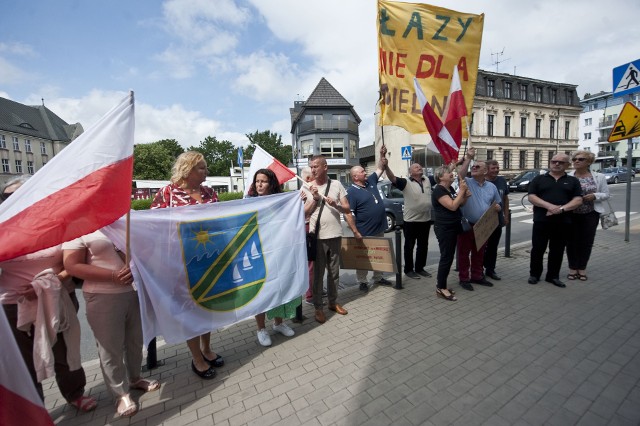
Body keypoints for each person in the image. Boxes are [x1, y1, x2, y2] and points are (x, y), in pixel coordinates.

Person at [0, 176, 97, 412]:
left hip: (58, 298)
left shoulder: (55, 223)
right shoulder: (2, 227)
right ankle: (35, 408)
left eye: (22, 195)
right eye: (8, 197)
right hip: (13, 305)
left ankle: (75, 394)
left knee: (65, 350)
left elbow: (73, 262)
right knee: (23, 361)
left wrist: (48, 283)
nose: (15, 201)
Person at [63, 231, 160, 417]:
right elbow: (72, 265)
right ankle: (120, 394)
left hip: (133, 291)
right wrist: (113, 276)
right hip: (102, 295)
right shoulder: (80, 228)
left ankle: (135, 378)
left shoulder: (123, 219)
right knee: (110, 348)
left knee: (135, 341)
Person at [150, 151, 223, 379]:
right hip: (179, 263)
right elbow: (153, 226)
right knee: (188, 309)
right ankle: (197, 358)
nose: (206, 172)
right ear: (188, 169)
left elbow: (221, 218)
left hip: (207, 258)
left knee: (206, 306)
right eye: (201, 168)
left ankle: (207, 349)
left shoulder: (210, 192)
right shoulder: (168, 193)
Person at [307, 155, 362, 324]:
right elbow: (304, 213)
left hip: (335, 235)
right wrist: (316, 199)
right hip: (318, 238)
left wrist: (336, 205)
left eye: (316, 166)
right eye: (311, 167)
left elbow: (346, 208)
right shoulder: (307, 188)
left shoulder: (337, 185)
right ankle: (318, 307)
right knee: (318, 275)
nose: (313, 169)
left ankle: (332, 302)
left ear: (325, 167)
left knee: (334, 273)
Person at [246, 169, 298, 346]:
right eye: (257, 181)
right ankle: (261, 329)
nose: (259, 184)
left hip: (277, 252)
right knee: (259, 291)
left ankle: (278, 323)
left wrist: (310, 200)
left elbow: (293, 220)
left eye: (264, 181)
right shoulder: (247, 202)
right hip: (257, 253)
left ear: (272, 183)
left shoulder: (281, 201)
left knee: (278, 287)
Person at [527, 153, 583, 287]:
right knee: (538, 248)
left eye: (561, 162)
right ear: (550, 163)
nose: (557, 164)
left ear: (567, 165)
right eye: (554, 161)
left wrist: (561, 209)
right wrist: (549, 206)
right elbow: (531, 196)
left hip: (563, 221)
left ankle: (552, 276)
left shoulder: (572, 181)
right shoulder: (539, 179)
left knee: (557, 250)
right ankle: (534, 274)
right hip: (541, 220)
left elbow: (578, 199)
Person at [347, 145, 393, 291]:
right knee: (364, 257)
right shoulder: (351, 192)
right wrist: (355, 231)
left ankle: (378, 278)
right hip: (364, 231)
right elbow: (350, 214)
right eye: (362, 171)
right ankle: (362, 281)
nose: (365, 172)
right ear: (355, 177)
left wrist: (381, 154)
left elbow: (380, 168)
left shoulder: (370, 181)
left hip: (379, 227)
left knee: (379, 254)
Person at [456, 148, 502, 291]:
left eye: (478, 167)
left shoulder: (492, 187)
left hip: (483, 225)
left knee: (479, 252)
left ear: (485, 172)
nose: (474, 168)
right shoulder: (467, 182)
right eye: (473, 166)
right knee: (464, 253)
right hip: (468, 225)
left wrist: (498, 208)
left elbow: (497, 202)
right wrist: (469, 158)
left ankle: (477, 276)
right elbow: (460, 174)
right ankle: (464, 278)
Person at [566, 151, 609, 281]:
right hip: (572, 214)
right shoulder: (568, 176)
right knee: (571, 242)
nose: (576, 161)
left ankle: (582, 268)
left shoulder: (598, 177)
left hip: (590, 214)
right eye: (574, 159)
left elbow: (606, 194)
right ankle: (573, 268)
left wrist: (595, 196)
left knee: (586, 242)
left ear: (589, 162)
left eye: (581, 159)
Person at [388, 162, 434, 280]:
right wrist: (386, 166)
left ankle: (420, 268)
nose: (419, 167)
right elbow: (392, 178)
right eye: (416, 167)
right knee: (409, 246)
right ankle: (408, 270)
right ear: (410, 172)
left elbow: (442, 175)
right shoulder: (405, 183)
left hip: (426, 219)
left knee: (423, 246)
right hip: (411, 221)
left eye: (420, 166)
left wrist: (454, 165)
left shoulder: (427, 180)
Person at [431, 165, 471, 301]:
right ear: (441, 176)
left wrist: (465, 196)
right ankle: (441, 288)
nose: (452, 173)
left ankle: (443, 285)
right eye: (448, 172)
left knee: (449, 256)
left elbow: (460, 204)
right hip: (444, 228)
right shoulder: (438, 190)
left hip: (454, 226)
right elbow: (452, 206)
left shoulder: (450, 188)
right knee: (446, 257)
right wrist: (462, 191)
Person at [483, 159, 510, 280]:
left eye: (497, 167)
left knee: (493, 246)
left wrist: (506, 215)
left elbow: (505, 199)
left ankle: (490, 270)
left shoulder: (502, 180)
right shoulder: (481, 182)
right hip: (483, 221)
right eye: (493, 168)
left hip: (497, 220)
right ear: (486, 169)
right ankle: (478, 269)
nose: (496, 170)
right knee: (481, 246)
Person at [300, 166, 319, 305]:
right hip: (307, 229)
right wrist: (314, 200)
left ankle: (316, 289)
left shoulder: (311, 189)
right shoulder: (302, 192)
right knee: (310, 263)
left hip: (315, 228)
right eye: (314, 175)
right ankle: (309, 295)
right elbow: (303, 213)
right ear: (307, 178)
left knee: (317, 262)